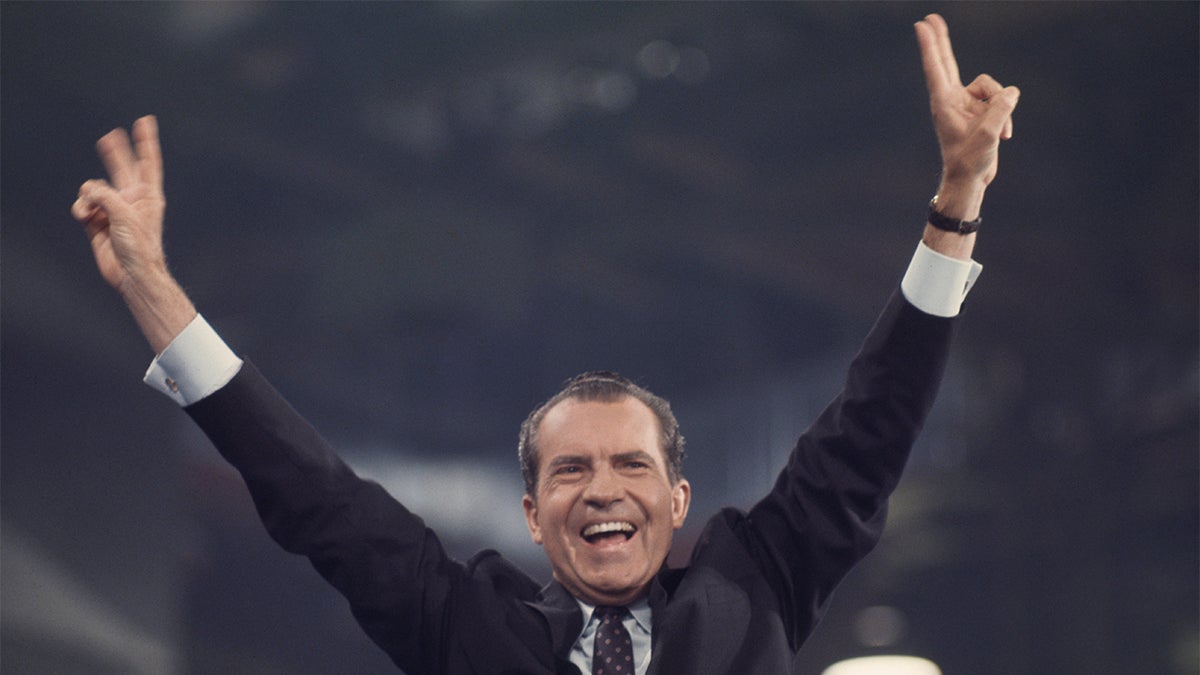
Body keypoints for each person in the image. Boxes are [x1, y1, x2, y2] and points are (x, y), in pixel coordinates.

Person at [71, 14, 1018, 675]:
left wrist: (958, 201)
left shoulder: (755, 585)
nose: (602, 487)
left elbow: (873, 431)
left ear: (677, 497)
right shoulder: (463, 622)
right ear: (532, 513)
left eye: (627, 464)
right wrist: (155, 291)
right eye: (570, 470)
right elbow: (311, 491)